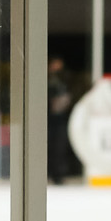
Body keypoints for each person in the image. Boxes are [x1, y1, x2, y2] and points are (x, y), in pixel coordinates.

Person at [45, 55, 75, 184]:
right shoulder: (45, 80)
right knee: (49, 147)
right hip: (48, 120)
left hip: (61, 119)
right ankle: (49, 173)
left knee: (60, 147)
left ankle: (59, 174)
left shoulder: (65, 81)